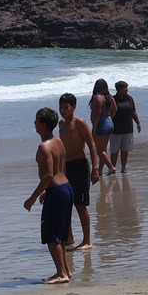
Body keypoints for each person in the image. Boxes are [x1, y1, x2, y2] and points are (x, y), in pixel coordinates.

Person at [24, 108, 72, 285]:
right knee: (61, 235)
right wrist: (47, 190)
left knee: (52, 236)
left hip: (57, 191)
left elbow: (48, 175)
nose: (34, 124)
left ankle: (61, 274)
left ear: (43, 125)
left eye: (36, 121)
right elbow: (62, 170)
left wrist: (32, 198)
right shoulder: (58, 142)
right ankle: (66, 270)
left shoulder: (44, 147)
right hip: (66, 188)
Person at [56, 92, 96, 248]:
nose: (63, 110)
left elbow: (91, 145)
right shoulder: (60, 124)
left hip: (80, 165)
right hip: (66, 167)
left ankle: (87, 240)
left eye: (66, 107)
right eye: (61, 107)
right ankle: (69, 237)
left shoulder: (79, 123)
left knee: (80, 204)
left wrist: (95, 168)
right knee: (66, 203)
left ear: (73, 107)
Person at [109, 80, 140, 172]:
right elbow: (109, 114)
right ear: (118, 89)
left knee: (125, 149)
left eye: (127, 88)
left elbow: (133, 112)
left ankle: (123, 167)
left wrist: (138, 123)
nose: (126, 90)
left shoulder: (129, 99)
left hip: (128, 128)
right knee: (114, 150)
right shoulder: (113, 99)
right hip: (116, 129)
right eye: (125, 88)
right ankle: (112, 168)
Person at [89, 78, 118, 175]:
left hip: (101, 123)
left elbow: (97, 114)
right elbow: (115, 110)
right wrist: (109, 117)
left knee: (99, 150)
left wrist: (94, 128)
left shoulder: (97, 97)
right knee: (103, 149)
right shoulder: (109, 97)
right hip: (109, 121)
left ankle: (111, 167)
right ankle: (100, 170)